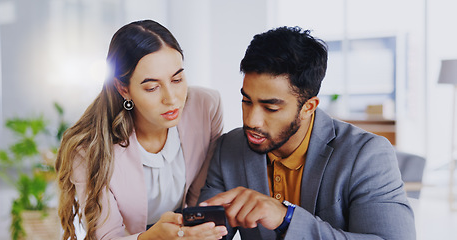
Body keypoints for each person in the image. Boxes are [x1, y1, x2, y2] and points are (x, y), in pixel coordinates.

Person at [198, 26, 416, 240]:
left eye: (271, 108)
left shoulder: (367, 154)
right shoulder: (229, 147)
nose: (251, 120)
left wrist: (286, 219)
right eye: (246, 101)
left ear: (308, 107)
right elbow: (207, 230)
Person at [56, 20, 227, 240]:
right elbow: (107, 237)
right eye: (152, 87)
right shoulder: (90, 149)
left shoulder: (206, 108)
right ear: (123, 89)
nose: (172, 98)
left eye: (177, 79)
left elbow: (201, 196)